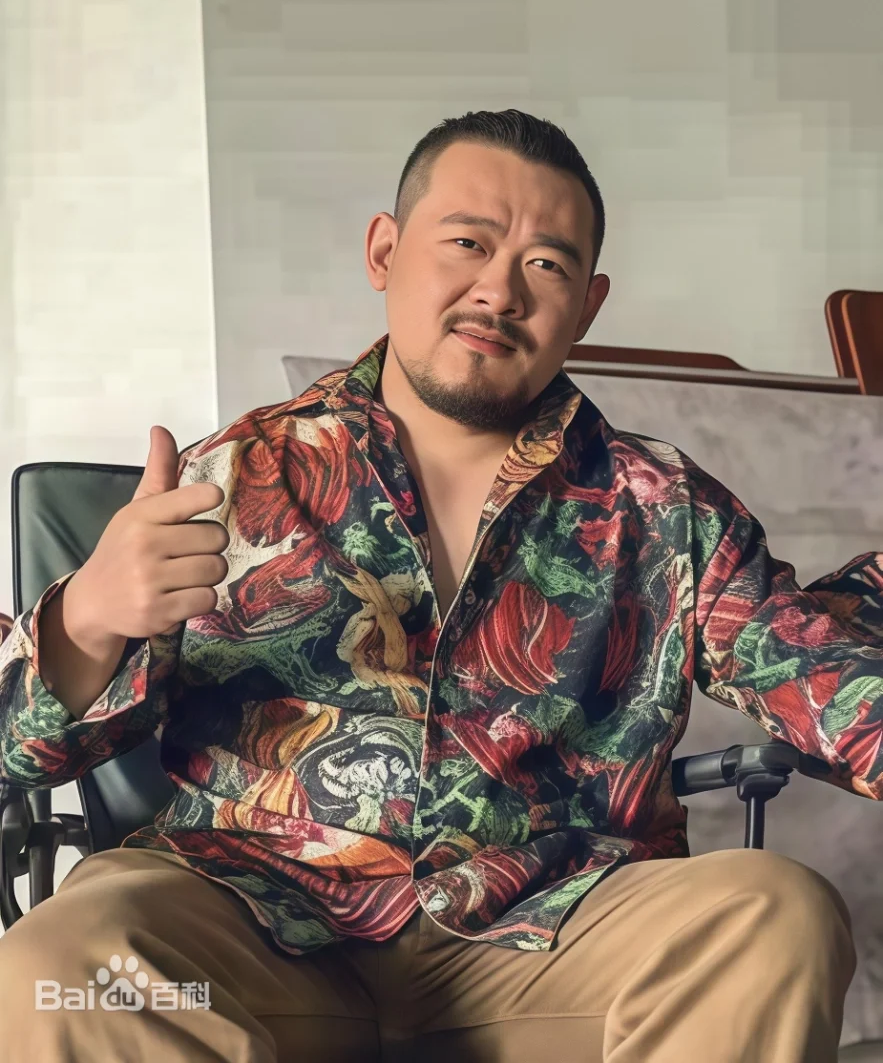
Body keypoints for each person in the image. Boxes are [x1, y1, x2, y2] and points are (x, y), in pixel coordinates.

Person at [0, 108, 875, 1063]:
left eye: (546, 264)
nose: (498, 289)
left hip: (554, 934)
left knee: (773, 914)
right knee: (56, 964)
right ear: (385, 250)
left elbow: (820, 679)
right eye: (468, 243)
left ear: (587, 305)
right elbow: (19, 757)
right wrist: (88, 619)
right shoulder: (231, 479)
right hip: (253, 928)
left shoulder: (664, 509)